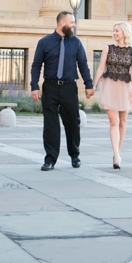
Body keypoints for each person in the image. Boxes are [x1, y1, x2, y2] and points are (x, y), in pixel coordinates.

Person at [30, 12, 94, 171]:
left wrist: (88, 84)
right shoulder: (44, 42)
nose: (74, 25)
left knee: (73, 122)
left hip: (69, 87)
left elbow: (83, 64)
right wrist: (34, 86)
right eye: (72, 22)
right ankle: (50, 159)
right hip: (50, 87)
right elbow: (36, 65)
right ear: (62, 24)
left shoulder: (76, 43)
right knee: (50, 124)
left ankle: (75, 155)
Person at [92, 21, 132, 169]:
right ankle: (116, 155)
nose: (114, 33)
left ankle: (117, 152)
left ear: (124, 33)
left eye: (117, 31)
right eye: (113, 31)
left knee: (123, 122)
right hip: (110, 85)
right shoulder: (107, 49)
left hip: (125, 87)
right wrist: (94, 85)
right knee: (113, 122)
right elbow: (101, 68)